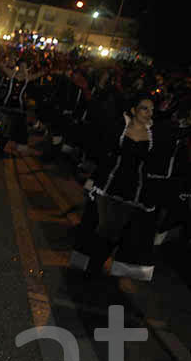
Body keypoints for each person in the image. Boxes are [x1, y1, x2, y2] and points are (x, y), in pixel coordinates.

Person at [68, 93, 162, 289]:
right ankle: (92, 267)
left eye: (152, 109)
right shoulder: (119, 128)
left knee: (116, 232)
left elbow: (155, 167)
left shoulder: (156, 136)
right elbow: (103, 153)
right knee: (103, 228)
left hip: (133, 192)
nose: (149, 112)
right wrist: (92, 178)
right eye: (145, 108)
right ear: (134, 110)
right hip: (109, 186)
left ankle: (96, 266)